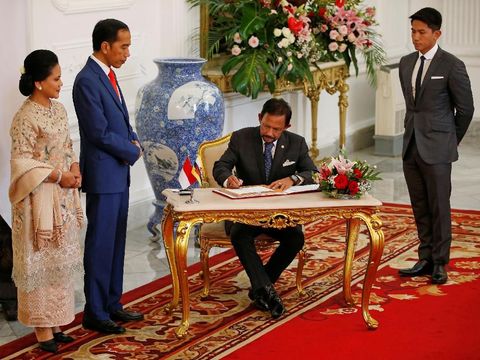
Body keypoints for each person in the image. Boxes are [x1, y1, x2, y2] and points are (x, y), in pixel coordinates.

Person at [213, 98, 317, 318]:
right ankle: (268, 292)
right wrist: (228, 179)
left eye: (276, 129)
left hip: (279, 214)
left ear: (286, 127)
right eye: (266, 126)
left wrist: (293, 178)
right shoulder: (241, 138)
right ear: (260, 118)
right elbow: (221, 166)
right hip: (246, 212)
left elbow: (312, 173)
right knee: (239, 234)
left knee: (295, 238)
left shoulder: (296, 143)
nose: (269, 132)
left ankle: (261, 288)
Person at [9, 49, 84, 353]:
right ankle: (42, 328)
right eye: (56, 78)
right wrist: (57, 175)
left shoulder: (59, 109)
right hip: (37, 201)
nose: (61, 82)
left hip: (63, 199)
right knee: (40, 260)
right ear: (39, 82)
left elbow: (67, 145)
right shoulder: (24, 118)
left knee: (59, 259)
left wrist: (75, 168)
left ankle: (56, 321)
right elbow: (21, 163)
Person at [73, 18, 144, 334]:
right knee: (101, 244)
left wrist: (133, 139)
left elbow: (119, 121)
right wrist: (132, 151)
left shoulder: (109, 76)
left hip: (118, 173)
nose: (127, 52)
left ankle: (113, 304)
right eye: (123, 46)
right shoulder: (87, 80)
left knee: (116, 242)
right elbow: (98, 132)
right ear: (105, 46)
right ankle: (95, 311)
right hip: (104, 175)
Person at [398, 8, 474, 284]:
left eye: (421, 32)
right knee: (419, 204)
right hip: (411, 146)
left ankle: (441, 262)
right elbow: (412, 107)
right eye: (413, 32)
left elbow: (465, 110)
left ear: (436, 33)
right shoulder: (406, 63)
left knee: (439, 205)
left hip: (438, 147)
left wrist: (449, 140)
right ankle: (425, 257)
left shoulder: (452, 65)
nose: (415, 38)